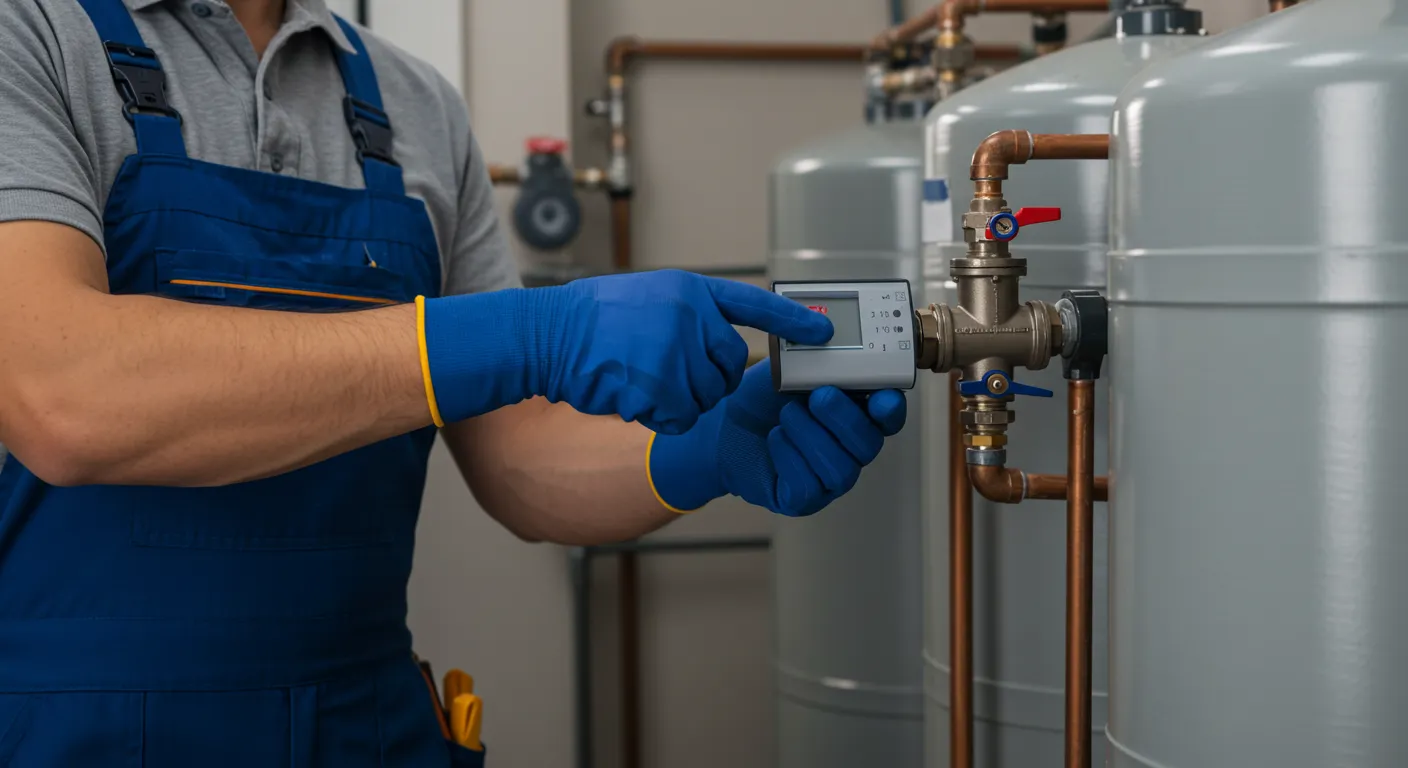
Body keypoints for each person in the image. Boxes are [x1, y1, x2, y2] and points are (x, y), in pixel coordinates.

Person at [0, 0, 908, 764]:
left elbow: (517, 455)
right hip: (69, 731)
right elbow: (66, 391)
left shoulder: (410, 101)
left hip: (366, 726)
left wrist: (700, 451)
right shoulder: (31, 35)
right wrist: (525, 331)